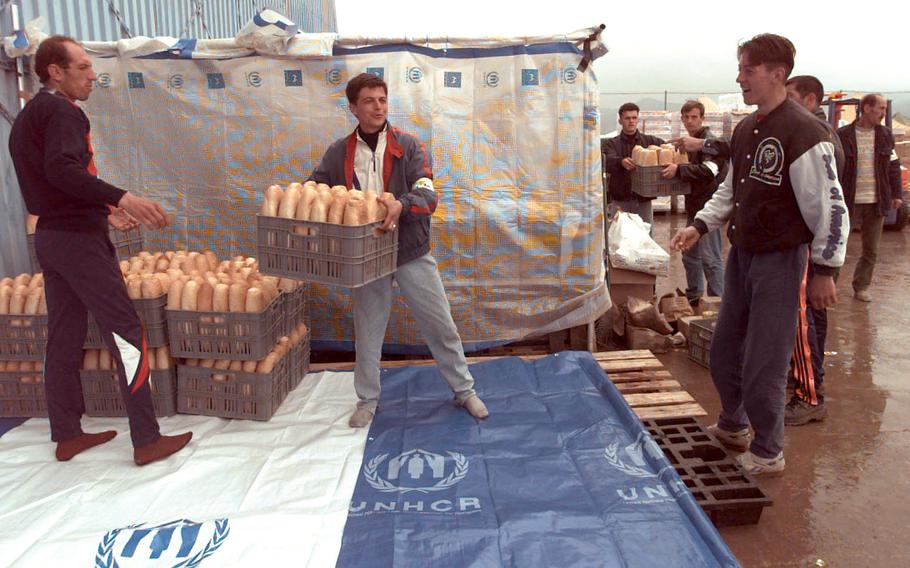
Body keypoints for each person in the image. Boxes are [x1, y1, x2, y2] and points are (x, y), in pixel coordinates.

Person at [8, 36, 192, 465]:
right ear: (56, 70)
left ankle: (67, 433)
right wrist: (124, 198)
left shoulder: (28, 115)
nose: (93, 75)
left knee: (65, 335)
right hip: (78, 243)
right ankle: (147, 439)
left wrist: (104, 209)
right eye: (84, 67)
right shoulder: (64, 112)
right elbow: (62, 168)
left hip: (51, 237)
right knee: (127, 332)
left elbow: (53, 181)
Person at [670, 34, 849, 476]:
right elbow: (732, 189)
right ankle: (734, 425)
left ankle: (769, 450)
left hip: (782, 260)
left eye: (748, 69)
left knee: (765, 359)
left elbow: (830, 205)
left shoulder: (806, 131)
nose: (740, 77)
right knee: (725, 349)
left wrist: (826, 269)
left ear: (777, 74)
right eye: (741, 68)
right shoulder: (747, 129)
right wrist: (699, 225)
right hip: (743, 254)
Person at [309, 73, 489, 428]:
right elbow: (316, 187)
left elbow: (428, 194)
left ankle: (464, 390)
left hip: (410, 249)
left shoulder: (409, 146)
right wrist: (300, 199)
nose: (378, 107)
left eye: (382, 99)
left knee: (440, 324)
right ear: (353, 108)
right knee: (368, 329)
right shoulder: (339, 152)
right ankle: (368, 399)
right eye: (369, 101)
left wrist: (402, 206)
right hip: (366, 252)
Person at [781, 75, 846, 425]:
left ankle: (810, 395)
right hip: (804, 246)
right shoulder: (811, 133)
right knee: (808, 321)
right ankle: (804, 382)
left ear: (809, 100)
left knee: (804, 322)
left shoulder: (815, 137)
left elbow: (830, 208)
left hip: (808, 248)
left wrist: (825, 269)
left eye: (790, 96)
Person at [837, 93, 903, 303]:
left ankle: (861, 287)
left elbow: (893, 166)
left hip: (876, 201)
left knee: (871, 250)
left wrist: (896, 194)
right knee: (837, 247)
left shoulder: (885, 135)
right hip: (848, 201)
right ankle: (828, 286)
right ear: (866, 108)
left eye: (884, 109)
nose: (883, 113)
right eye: (880, 108)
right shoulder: (843, 135)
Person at [662, 100, 728, 306]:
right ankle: (693, 299)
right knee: (690, 257)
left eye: (694, 117)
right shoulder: (688, 142)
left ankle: (719, 304)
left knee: (711, 259)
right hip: (694, 206)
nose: (690, 121)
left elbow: (710, 171)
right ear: (681, 118)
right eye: (686, 117)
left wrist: (679, 170)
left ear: (702, 118)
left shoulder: (709, 141)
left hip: (710, 208)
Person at [602, 102, 665, 233]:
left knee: (645, 239)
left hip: (643, 201)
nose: (631, 121)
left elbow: (666, 151)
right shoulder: (611, 143)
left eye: (634, 117)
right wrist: (621, 162)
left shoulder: (650, 141)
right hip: (620, 200)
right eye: (627, 118)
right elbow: (606, 160)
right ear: (620, 121)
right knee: (618, 239)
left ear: (638, 119)